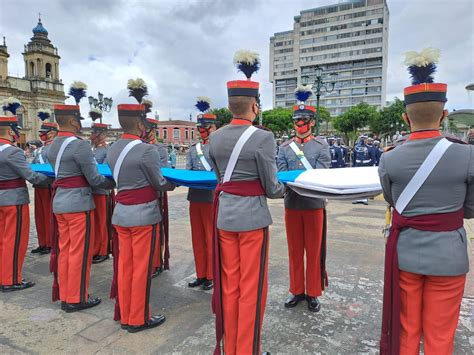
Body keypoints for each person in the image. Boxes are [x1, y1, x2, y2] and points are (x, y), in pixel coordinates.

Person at [378, 48, 473, 355]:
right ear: (444, 114)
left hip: (405, 254)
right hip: (449, 256)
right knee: (440, 335)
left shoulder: (389, 159)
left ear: (405, 117)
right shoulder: (467, 155)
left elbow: (395, 204)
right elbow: (470, 209)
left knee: (406, 330)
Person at [209, 49, 285, 355]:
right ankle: (247, 350)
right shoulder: (263, 137)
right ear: (254, 105)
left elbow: (220, 178)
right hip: (252, 219)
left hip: (225, 215)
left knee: (230, 285)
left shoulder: (214, 138)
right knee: (251, 288)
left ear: (230, 107)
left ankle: (231, 348)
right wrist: (287, 189)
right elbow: (271, 187)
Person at [108, 104, 175, 333]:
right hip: (143, 215)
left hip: (121, 214)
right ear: (139, 124)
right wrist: (172, 183)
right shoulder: (147, 151)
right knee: (140, 270)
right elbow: (159, 182)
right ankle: (138, 318)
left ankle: (126, 314)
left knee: (125, 267)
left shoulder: (112, 148)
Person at [47, 104, 115, 312]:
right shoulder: (80, 145)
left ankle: (67, 295)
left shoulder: (53, 145)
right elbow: (94, 178)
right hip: (78, 204)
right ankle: (76, 298)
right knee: (79, 253)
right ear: (73, 121)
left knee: (65, 251)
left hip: (60, 203)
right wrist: (113, 182)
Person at [277, 85, 331, 313]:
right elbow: (281, 176)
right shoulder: (284, 148)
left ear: (311, 123)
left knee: (314, 249)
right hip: (292, 204)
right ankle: (297, 289)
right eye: (297, 121)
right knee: (295, 250)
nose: (299, 125)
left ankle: (313, 293)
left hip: (313, 206)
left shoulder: (322, 146)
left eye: (304, 121)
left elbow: (321, 176)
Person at [0, 108, 51, 292]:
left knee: (2, 240)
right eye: (15, 130)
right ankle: (11, 279)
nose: (17, 133)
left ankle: (3, 274)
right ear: (9, 131)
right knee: (14, 241)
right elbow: (32, 177)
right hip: (13, 201)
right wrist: (53, 178)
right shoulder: (13, 152)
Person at [186, 97, 216, 291]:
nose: (202, 130)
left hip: (211, 197)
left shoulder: (217, 147)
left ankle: (212, 274)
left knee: (210, 237)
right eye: (200, 126)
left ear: (213, 127)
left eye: (205, 126)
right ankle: (201, 273)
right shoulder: (192, 149)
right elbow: (188, 171)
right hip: (195, 196)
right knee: (197, 238)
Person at [144, 117, 170, 278]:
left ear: (153, 131)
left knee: (155, 230)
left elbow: (163, 171)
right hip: (141, 192)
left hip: (156, 193)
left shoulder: (160, 149)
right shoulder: (138, 146)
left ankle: (156, 263)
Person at [31, 120, 58, 255]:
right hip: (39, 185)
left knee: (48, 215)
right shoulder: (39, 150)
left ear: (52, 133)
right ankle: (42, 242)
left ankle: (50, 242)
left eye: (44, 132)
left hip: (49, 185)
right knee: (40, 216)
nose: (41, 134)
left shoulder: (55, 147)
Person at [90, 122, 111, 264]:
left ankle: (103, 250)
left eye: (95, 133)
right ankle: (95, 248)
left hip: (101, 190)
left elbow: (104, 171)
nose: (92, 136)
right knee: (94, 222)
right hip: (91, 189)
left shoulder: (106, 150)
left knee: (101, 221)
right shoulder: (91, 150)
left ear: (102, 135)